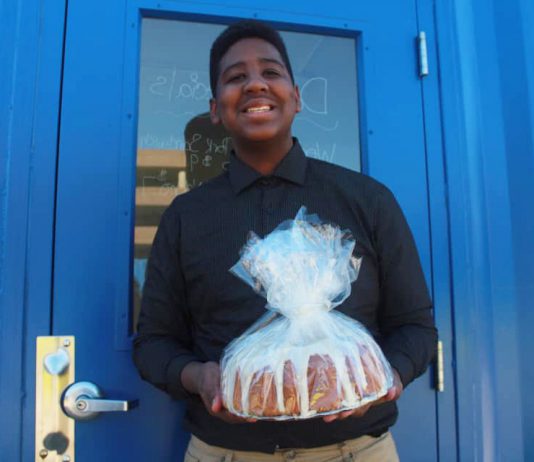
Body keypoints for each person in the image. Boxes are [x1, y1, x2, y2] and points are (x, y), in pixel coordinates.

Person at [134, 20, 437, 462]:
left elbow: (416, 328)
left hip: (357, 450)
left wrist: (386, 377)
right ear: (216, 108)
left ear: (296, 98)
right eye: (236, 77)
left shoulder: (367, 200)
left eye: (271, 73)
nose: (255, 83)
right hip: (225, 452)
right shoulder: (186, 216)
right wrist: (198, 377)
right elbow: (153, 344)